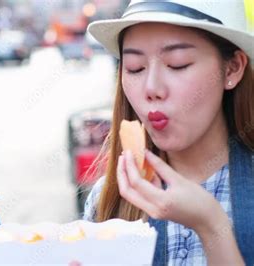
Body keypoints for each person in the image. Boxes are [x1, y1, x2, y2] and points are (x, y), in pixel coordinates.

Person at [82, 0, 254, 265]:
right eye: (135, 68)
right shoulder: (109, 196)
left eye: (177, 64)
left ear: (232, 68)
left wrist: (210, 224)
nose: (151, 88)